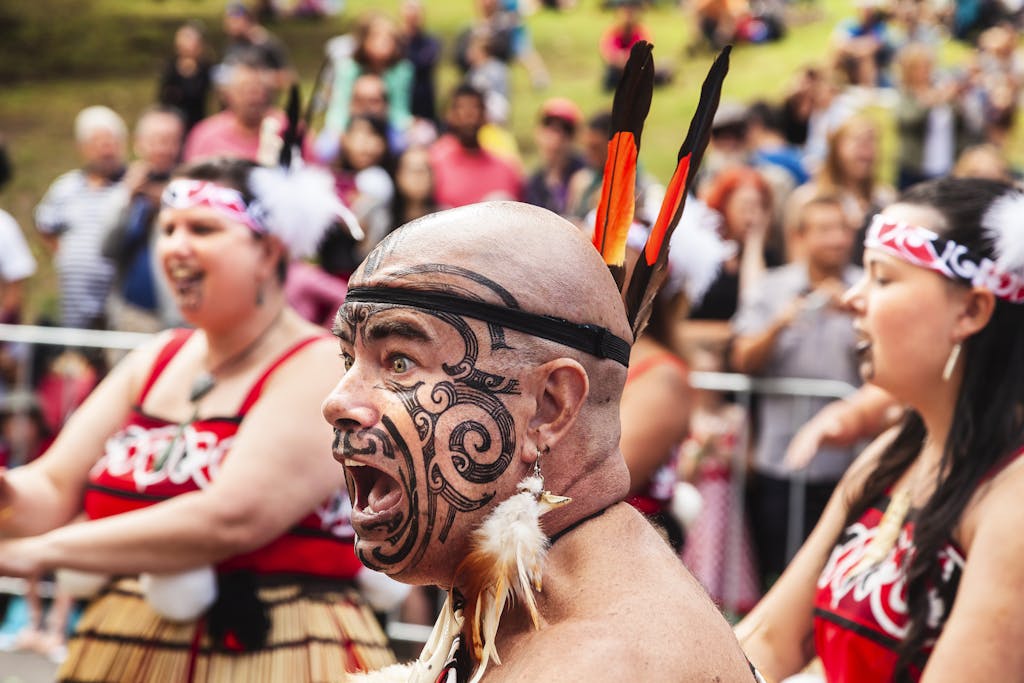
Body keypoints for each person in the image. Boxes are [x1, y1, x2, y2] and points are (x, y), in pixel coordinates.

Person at [324, 201, 759, 681]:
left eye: (399, 361)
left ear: (550, 407)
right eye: (349, 361)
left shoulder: (593, 663)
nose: (337, 402)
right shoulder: (524, 591)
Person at [0, 158, 395, 681]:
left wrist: (41, 552)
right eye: (168, 229)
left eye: (202, 228)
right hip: (125, 642)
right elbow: (51, 485)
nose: (175, 247)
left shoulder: (322, 365)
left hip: (277, 648)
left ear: (269, 250)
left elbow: (229, 517)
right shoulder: (157, 358)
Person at [737, 177, 1024, 681]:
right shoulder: (893, 454)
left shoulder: (1012, 502)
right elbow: (767, 640)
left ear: (972, 310)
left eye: (883, 278)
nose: (853, 298)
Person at [730, 195, 863, 590]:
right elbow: (741, 358)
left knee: (838, 576)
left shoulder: (868, 289)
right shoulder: (773, 288)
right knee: (782, 574)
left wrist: (861, 318)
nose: (837, 240)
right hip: (783, 458)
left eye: (842, 230)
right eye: (825, 230)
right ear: (801, 236)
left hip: (851, 463)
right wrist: (779, 325)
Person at [34, 105, 127, 330]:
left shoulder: (131, 187)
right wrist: (64, 257)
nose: (106, 149)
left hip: (119, 299)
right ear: (83, 148)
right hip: (75, 301)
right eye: (98, 143)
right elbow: (45, 225)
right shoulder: (66, 187)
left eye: (111, 141)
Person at [103, 106, 186, 333]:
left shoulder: (192, 190)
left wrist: (173, 201)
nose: (162, 149)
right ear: (138, 143)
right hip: (132, 315)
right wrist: (127, 197)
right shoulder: (124, 189)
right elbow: (106, 248)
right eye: (155, 141)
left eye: (170, 141)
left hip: (179, 318)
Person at [182, 48, 285, 164]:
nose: (254, 98)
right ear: (227, 95)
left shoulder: (288, 129)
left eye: (261, 90)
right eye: (245, 90)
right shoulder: (205, 135)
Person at [428, 84, 522, 209]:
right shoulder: (433, 163)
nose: (469, 115)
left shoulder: (507, 168)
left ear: (485, 115)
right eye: (461, 108)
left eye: (475, 107)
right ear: (449, 115)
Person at [524, 97, 586, 217]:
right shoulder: (534, 182)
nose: (557, 137)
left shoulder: (585, 173)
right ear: (538, 132)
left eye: (565, 130)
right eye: (549, 127)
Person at [157, 21, 214, 133]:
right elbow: (162, 96)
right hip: (173, 122)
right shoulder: (170, 67)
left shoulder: (205, 68)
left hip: (196, 122)